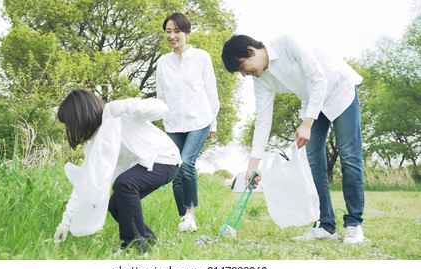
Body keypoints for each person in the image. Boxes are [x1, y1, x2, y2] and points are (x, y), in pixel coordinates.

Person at [221, 34, 365, 244]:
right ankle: (325, 225)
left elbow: (318, 80)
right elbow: (263, 120)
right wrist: (252, 166)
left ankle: (354, 224)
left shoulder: (289, 44)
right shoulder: (260, 79)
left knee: (349, 156)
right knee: (313, 161)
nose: (244, 74)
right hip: (312, 102)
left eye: (242, 67)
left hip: (338, 91)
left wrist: (306, 124)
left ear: (252, 50)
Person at [53, 89, 182, 255]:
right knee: (114, 205)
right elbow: (82, 186)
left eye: (71, 124)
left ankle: (134, 247)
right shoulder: (93, 148)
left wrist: (125, 105)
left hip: (165, 160)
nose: (72, 129)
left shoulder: (118, 114)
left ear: (81, 117)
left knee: (124, 184)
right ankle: (147, 240)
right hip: (145, 168)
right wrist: (65, 222)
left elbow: (161, 107)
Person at [156, 12, 220, 232]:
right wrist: (161, 124)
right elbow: (161, 96)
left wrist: (213, 123)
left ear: (187, 33)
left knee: (186, 162)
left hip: (199, 120)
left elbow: (211, 92)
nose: (172, 36)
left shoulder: (202, 57)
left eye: (177, 31)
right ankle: (184, 218)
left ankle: (191, 214)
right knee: (175, 170)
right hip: (173, 123)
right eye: (168, 31)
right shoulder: (163, 63)